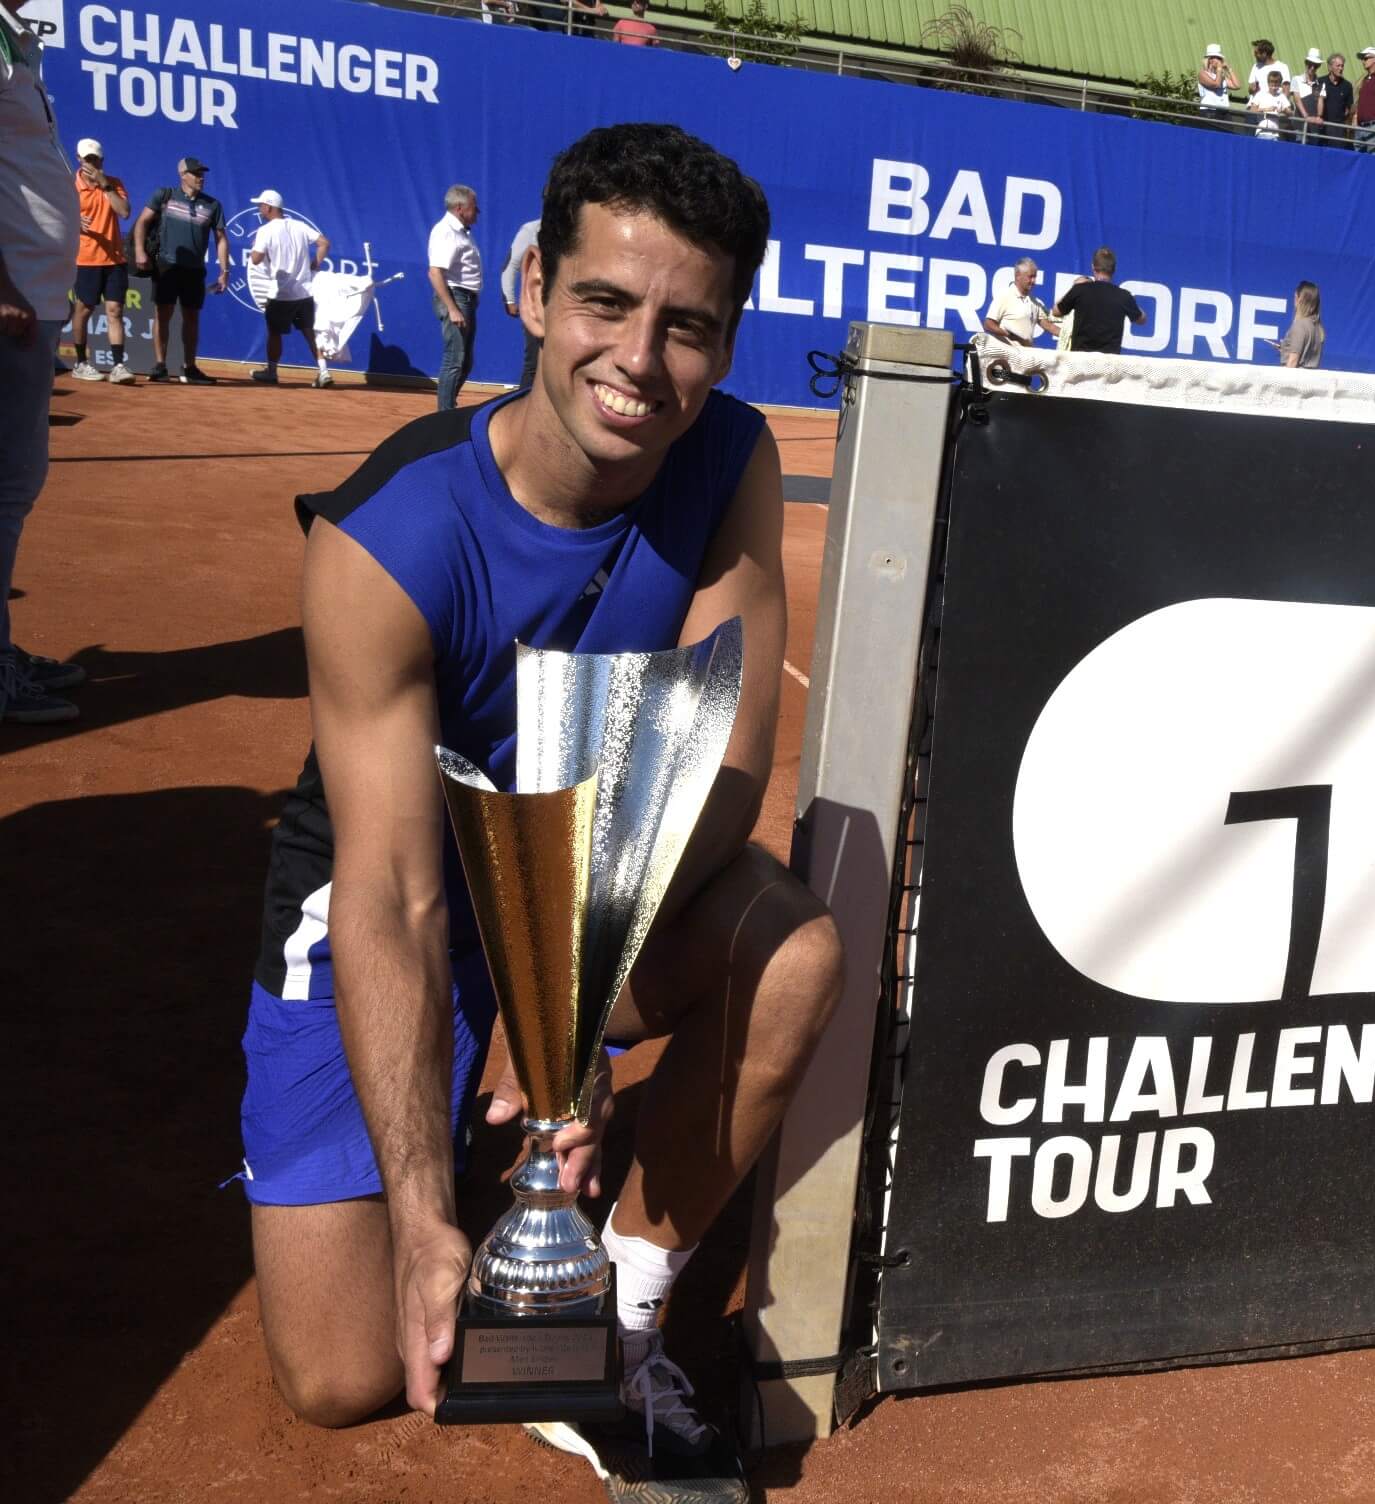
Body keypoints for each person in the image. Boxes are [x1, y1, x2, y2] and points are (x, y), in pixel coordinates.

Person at [238, 123, 841, 1493]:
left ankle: (621, 1318)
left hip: (597, 883)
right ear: (532, 296)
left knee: (794, 947)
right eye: (607, 305)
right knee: (343, 1375)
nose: (639, 361)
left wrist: (556, 1000)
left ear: (730, 341)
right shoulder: (385, 539)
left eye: (688, 326)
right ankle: (476, 1162)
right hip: (394, 896)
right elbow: (389, 891)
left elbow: (728, 763)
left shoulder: (728, 457)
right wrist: (423, 1207)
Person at [1, 0, 90, 725]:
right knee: (5, 485)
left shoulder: (15, 40)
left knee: (13, 484)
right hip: (13, 300)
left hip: (32, 296)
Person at [132, 156, 229, 384]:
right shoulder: (164, 196)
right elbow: (142, 222)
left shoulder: (213, 205)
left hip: (195, 269)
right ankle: (160, 366)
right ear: (182, 175)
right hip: (167, 265)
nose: (200, 178)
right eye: (195, 174)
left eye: (202, 174)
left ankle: (190, 367)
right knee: (162, 314)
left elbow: (221, 239)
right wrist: (139, 251)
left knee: (191, 317)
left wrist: (225, 271)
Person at [246, 189, 332, 387]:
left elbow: (256, 260)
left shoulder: (265, 231)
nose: (260, 209)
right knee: (309, 332)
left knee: (274, 332)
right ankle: (324, 371)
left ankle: (272, 372)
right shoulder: (299, 226)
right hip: (304, 292)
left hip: (281, 294)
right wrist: (314, 264)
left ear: (268, 207)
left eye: (261, 206)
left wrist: (255, 248)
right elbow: (324, 244)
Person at [68, 138, 134, 384]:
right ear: (79, 160)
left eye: (95, 160)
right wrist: (74, 222)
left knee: (115, 310)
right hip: (85, 259)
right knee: (83, 310)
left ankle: (118, 366)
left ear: (102, 161)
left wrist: (105, 185)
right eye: (87, 160)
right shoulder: (69, 187)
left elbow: (124, 212)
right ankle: (80, 363)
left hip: (115, 259)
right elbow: (55, 220)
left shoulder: (114, 184)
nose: (91, 164)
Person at [427, 184, 483, 411]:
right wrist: (452, 307)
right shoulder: (445, 232)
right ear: (460, 208)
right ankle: (444, 416)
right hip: (455, 297)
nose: (477, 212)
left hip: (465, 300)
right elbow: (435, 272)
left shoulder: (460, 232)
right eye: (474, 207)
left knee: (465, 362)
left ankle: (447, 406)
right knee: (455, 360)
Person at [1051, 246, 1145, 354]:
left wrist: (1073, 288)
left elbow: (1056, 311)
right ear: (1113, 270)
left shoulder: (1080, 290)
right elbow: (1142, 319)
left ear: (1093, 267)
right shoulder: (1124, 296)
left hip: (1080, 361)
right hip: (1108, 364)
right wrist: (1131, 301)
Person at [499, 214, 542, 388]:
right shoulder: (531, 230)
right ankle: (524, 409)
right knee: (533, 363)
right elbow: (511, 265)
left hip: (563, 306)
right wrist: (509, 299)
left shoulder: (574, 226)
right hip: (536, 305)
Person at [983, 257, 1056, 346]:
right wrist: (1008, 334)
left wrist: (1071, 336)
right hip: (1007, 356)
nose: (1033, 281)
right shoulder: (1004, 296)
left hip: (1025, 355)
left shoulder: (1034, 302)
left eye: (1035, 277)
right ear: (1018, 276)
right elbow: (988, 324)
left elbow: (1049, 326)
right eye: (1030, 277)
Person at [1277, 281, 1324, 369]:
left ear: (1298, 299)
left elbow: (1293, 362)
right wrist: (1285, 349)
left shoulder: (1299, 325)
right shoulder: (1318, 327)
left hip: (1296, 380)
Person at [1314, 52, 1354, 147]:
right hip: (1322, 127)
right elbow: (1314, 102)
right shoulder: (1320, 82)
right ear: (1330, 67)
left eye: (1342, 66)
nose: (1341, 68)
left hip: (1338, 130)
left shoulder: (1347, 86)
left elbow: (1348, 109)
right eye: (1338, 66)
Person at [1195, 45, 1237, 130]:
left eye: (1220, 58)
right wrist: (1219, 70)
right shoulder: (1203, 74)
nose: (1219, 61)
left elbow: (1236, 85)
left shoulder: (1220, 76)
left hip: (1224, 111)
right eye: (1216, 58)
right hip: (1210, 111)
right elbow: (1216, 85)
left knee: (1228, 135)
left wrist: (1229, 69)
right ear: (1210, 59)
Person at [1249, 71, 1294, 140]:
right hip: (1262, 132)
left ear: (1279, 84)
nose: (1274, 85)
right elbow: (1252, 110)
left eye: (1276, 82)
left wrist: (1283, 110)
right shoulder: (1260, 94)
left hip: (1275, 135)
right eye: (1271, 82)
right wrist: (1266, 110)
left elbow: (1290, 112)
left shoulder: (1282, 97)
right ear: (1268, 82)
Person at [1292, 48, 1323, 143]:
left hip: (1314, 126)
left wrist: (1319, 116)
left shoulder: (1321, 83)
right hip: (1300, 124)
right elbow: (1297, 100)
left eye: (1316, 65)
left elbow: (1321, 100)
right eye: (1310, 64)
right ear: (1306, 63)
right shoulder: (1296, 79)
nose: (1312, 67)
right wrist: (1306, 117)